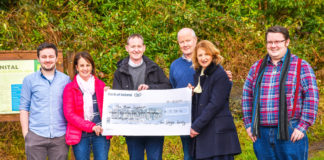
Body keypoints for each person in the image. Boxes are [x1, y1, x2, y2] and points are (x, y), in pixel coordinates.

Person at [242, 26, 319, 159]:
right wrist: (249, 124)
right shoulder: (256, 67)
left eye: (278, 41)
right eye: (270, 42)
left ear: (287, 42)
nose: (273, 46)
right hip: (261, 134)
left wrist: (302, 126)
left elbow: (311, 97)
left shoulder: (301, 66)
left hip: (290, 131)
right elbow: (246, 96)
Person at [169, 28, 233, 160]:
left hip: (207, 122)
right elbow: (172, 91)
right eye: (182, 42)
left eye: (188, 40)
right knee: (189, 155)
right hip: (187, 120)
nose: (185, 44)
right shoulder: (175, 66)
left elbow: (216, 99)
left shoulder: (214, 68)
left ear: (195, 40)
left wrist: (228, 81)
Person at [112, 34, 171, 160]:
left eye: (139, 46)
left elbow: (167, 86)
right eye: (133, 46)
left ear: (144, 48)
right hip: (132, 127)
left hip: (154, 125)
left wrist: (150, 88)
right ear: (127, 48)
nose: (136, 50)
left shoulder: (154, 68)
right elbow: (116, 100)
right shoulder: (119, 72)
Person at [189, 40, 241, 160]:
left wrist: (196, 126)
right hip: (207, 132)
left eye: (206, 54)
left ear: (213, 55)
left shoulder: (220, 74)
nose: (204, 58)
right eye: (200, 55)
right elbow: (201, 103)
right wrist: (191, 95)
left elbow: (214, 105)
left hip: (219, 136)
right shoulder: (199, 75)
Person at [19, 42, 70, 159]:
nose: (48, 60)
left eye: (51, 56)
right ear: (38, 59)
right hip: (36, 135)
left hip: (60, 136)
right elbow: (23, 108)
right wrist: (26, 135)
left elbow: (71, 105)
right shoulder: (29, 80)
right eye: (44, 57)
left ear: (56, 58)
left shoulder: (65, 80)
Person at [63, 52, 112, 160]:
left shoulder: (100, 85)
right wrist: (91, 127)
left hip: (100, 134)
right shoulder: (70, 88)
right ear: (76, 67)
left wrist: (110, 96)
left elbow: (107, 110)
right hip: (80, 135)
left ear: (92, 67)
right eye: (82, 65)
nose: (85, 68)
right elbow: (69, 114)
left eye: (88, 65)